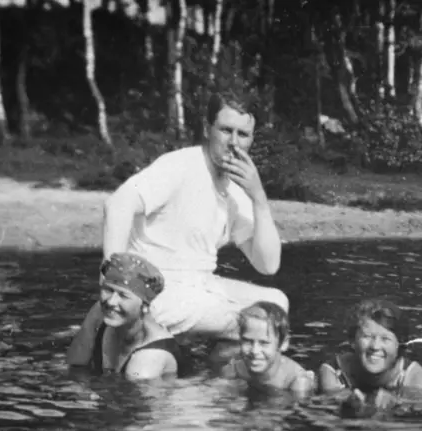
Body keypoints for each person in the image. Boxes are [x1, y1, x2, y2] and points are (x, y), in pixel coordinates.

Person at [69, 92, 287, 369]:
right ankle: (189, 366)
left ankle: (213, 372)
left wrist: (258, 197)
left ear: (252, 139)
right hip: (155, 291)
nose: (233, 143)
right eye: (226, 130)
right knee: (263, 324)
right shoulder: (181, 165)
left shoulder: (238, 191)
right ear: (207, 129)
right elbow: (118, 204)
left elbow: (268, 264)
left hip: (199, 287)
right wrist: (115, 279)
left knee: (276, 304)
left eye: (243, 134)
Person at [66, 253, 185, 380]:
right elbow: (76, 368)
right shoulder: (99, 312)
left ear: (145, 305)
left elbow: (132, 399)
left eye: (123, 296)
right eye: (108, 290)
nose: (111, 302)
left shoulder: (147, 363)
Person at [318, 299, 422, 412]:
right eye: (367, 336)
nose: (375, 346)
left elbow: (415, 421)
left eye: (385, 339)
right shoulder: (334, 372)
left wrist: (396, 405)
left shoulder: (414, 377)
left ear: (399, 344)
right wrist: (349, 405)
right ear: (353, 341)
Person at [218, 301, 315, 397]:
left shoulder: (294, 381)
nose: (254, 351)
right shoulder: (236, 368)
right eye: (248, 341)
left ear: (284, 344)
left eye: (264, 343)